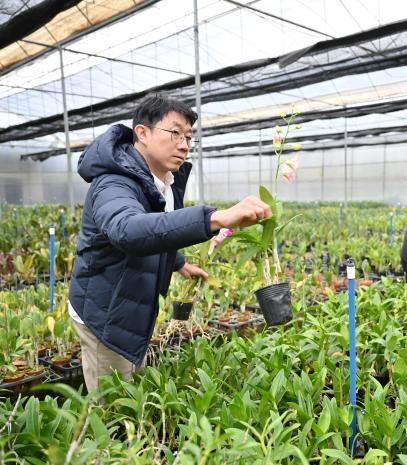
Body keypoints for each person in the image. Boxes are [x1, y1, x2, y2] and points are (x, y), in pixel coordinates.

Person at [68, 94, 272, 392]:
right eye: (175, 133)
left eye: (188, 137)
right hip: (104, 312)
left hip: (129, 305)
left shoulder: (165, 180)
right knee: (113, 405)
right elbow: (128, 230)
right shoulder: (114, 182)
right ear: (142, 133)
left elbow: (157, 227)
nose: (184, 144)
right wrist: (214, 218)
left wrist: (178, 263)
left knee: (131, 387)